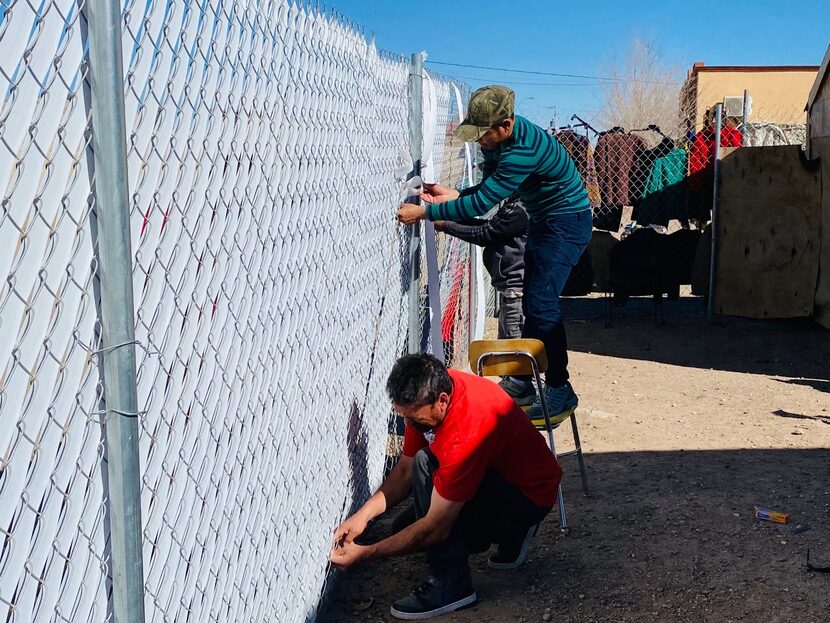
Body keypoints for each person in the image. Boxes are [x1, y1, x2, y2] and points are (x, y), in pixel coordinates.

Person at [398, 85, 592, 420]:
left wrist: (427, 213)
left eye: (482, 134)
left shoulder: (521, 151)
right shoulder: (498, 144)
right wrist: (454, 193)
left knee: (542, 304)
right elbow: (486, 189)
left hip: (566, 222)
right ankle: (521, 381)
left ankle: (561, 388)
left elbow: (485, 205)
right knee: (534, 303)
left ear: (504, 126)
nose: (478, 141)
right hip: (545, 220)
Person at [330, 354, 561, 620]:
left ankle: (451, 584)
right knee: (401, 530)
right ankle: (510, 534)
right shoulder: (431, 389)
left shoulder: (466, 429)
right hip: (503, 478)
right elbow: (403, 472)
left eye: (415, 419)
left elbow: (435, 528)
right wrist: (363, 515)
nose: (411, 425)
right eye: (405, 417)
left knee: (426, 468)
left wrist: (366, 554)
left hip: (528, 496)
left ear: (441, 400)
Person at [434, 193, 527, 342]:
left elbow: (486, 234)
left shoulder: (522, 206)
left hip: (517, 294)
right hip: (513, 292)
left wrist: (446, 225)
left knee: (513, 355)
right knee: (509, 351)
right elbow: (492, 228)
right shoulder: (521, 202)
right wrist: (449, 217)